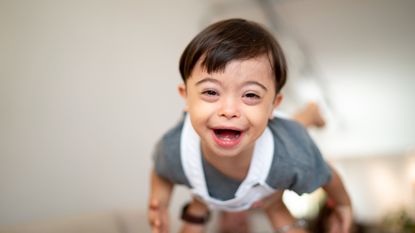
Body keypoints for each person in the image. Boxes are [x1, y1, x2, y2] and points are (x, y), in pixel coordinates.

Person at [148, 18, 352, 233]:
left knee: (288, 138)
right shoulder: (175, 149)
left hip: (269, 187)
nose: (228, 110)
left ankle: (311, 113)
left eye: (250, 95)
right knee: (198, 210)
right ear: (186, 98)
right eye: (211, 92)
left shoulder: (293, 157)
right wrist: (159, 200)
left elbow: (327, 174)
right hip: (207, 196)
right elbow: (161, 171)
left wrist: (343, 204)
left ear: (274, 104)